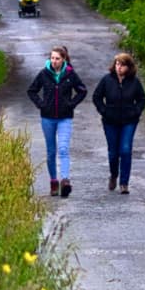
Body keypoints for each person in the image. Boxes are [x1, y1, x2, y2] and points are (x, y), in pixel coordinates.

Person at [26, 45, 86, 197]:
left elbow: (82, 90)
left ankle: (65, 180)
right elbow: (31, 91)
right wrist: (41, 104)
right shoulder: (44, 74)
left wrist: (71, 104)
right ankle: (54, 181)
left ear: (64, 59)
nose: (54, 61)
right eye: (52, 58)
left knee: (64, 149)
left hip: (65, 117)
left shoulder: (70, 74)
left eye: (57, 58)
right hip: (47, 117)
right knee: (51, 151)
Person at [92, 52, 145, 194]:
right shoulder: (107, 80)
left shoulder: (134, 82)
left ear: (129, 67)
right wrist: (104, 111)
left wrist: (136, 111)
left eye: (122, 65)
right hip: (110, 120)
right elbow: (97, 97)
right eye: (117, 64)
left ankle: (124, 183)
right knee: (113, 152)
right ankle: (114, 174)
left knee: (125, 149)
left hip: (129, 120)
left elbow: (142, 99)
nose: (119, 67)